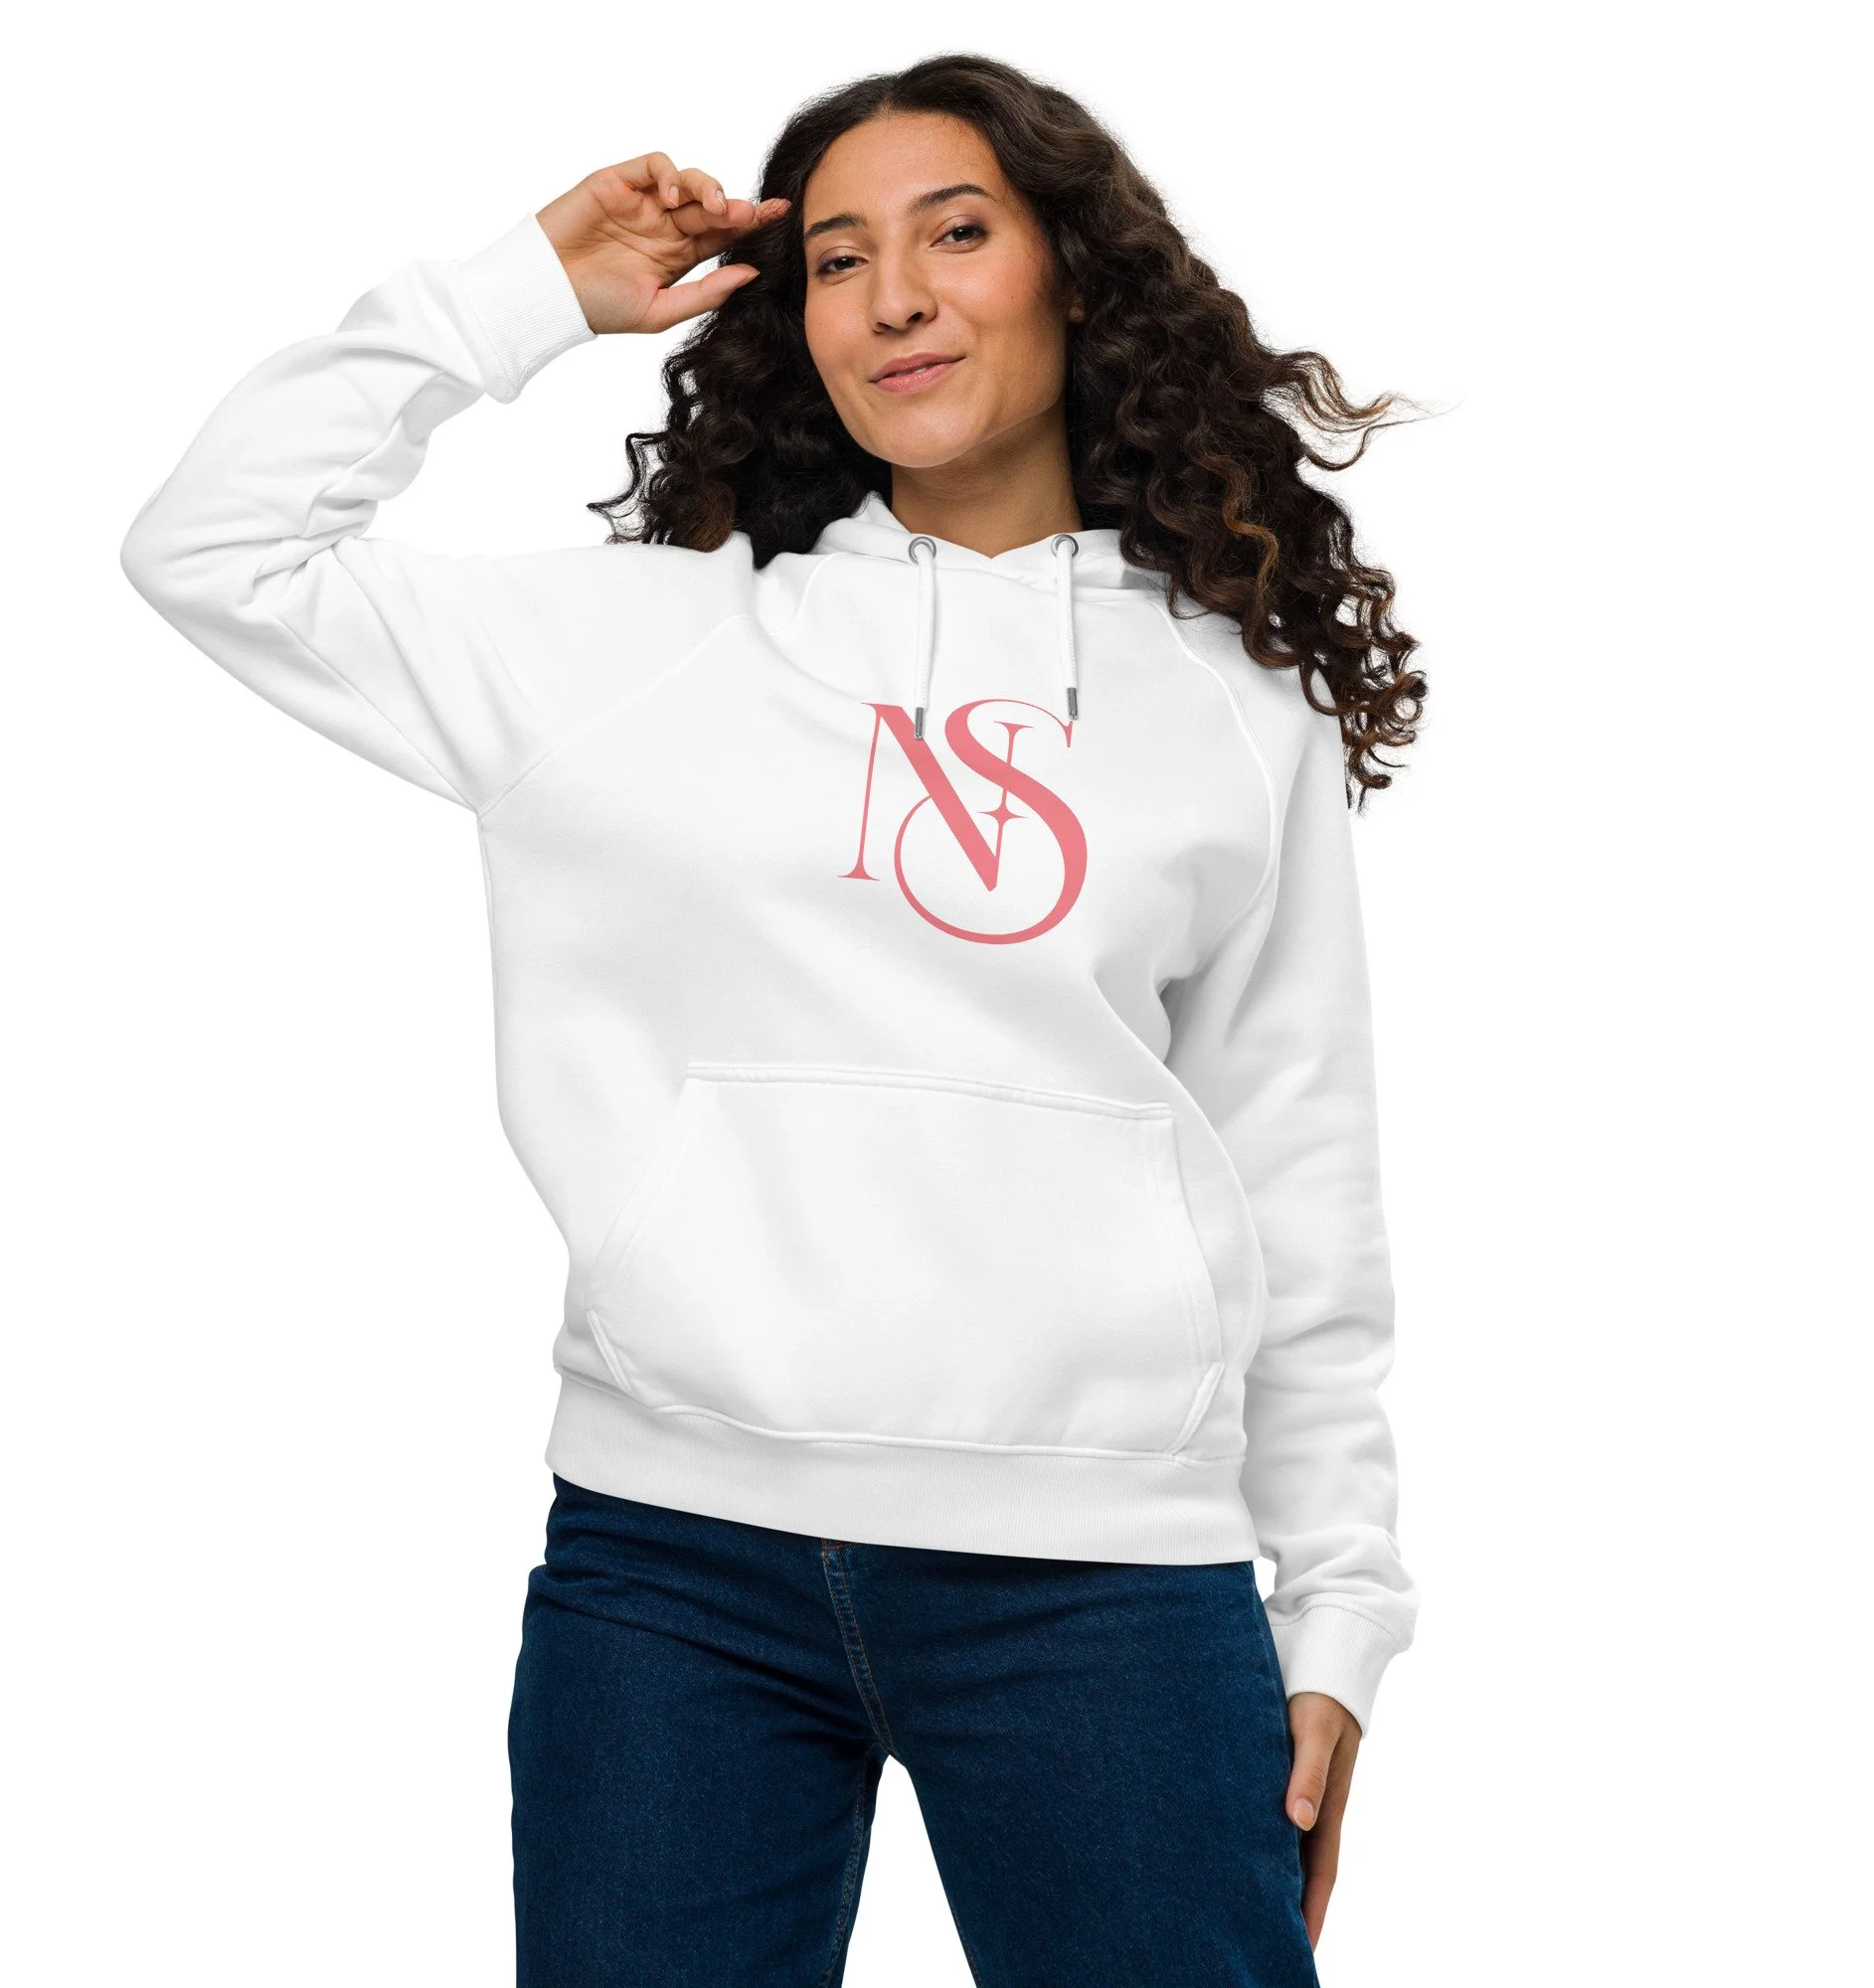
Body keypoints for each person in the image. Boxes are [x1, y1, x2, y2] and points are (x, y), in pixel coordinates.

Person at [119, 51, 1426, 1988]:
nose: (893, 297)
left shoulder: (1232, 708)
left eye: (955, 234)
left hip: (1103, 1583)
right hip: (673, 1567)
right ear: (788, 318)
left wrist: (1338, 1609)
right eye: (834, 258)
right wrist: (521, 291)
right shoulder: (639, 650)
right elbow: (210, 547)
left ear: (1073, 274)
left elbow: (1296, 1163)